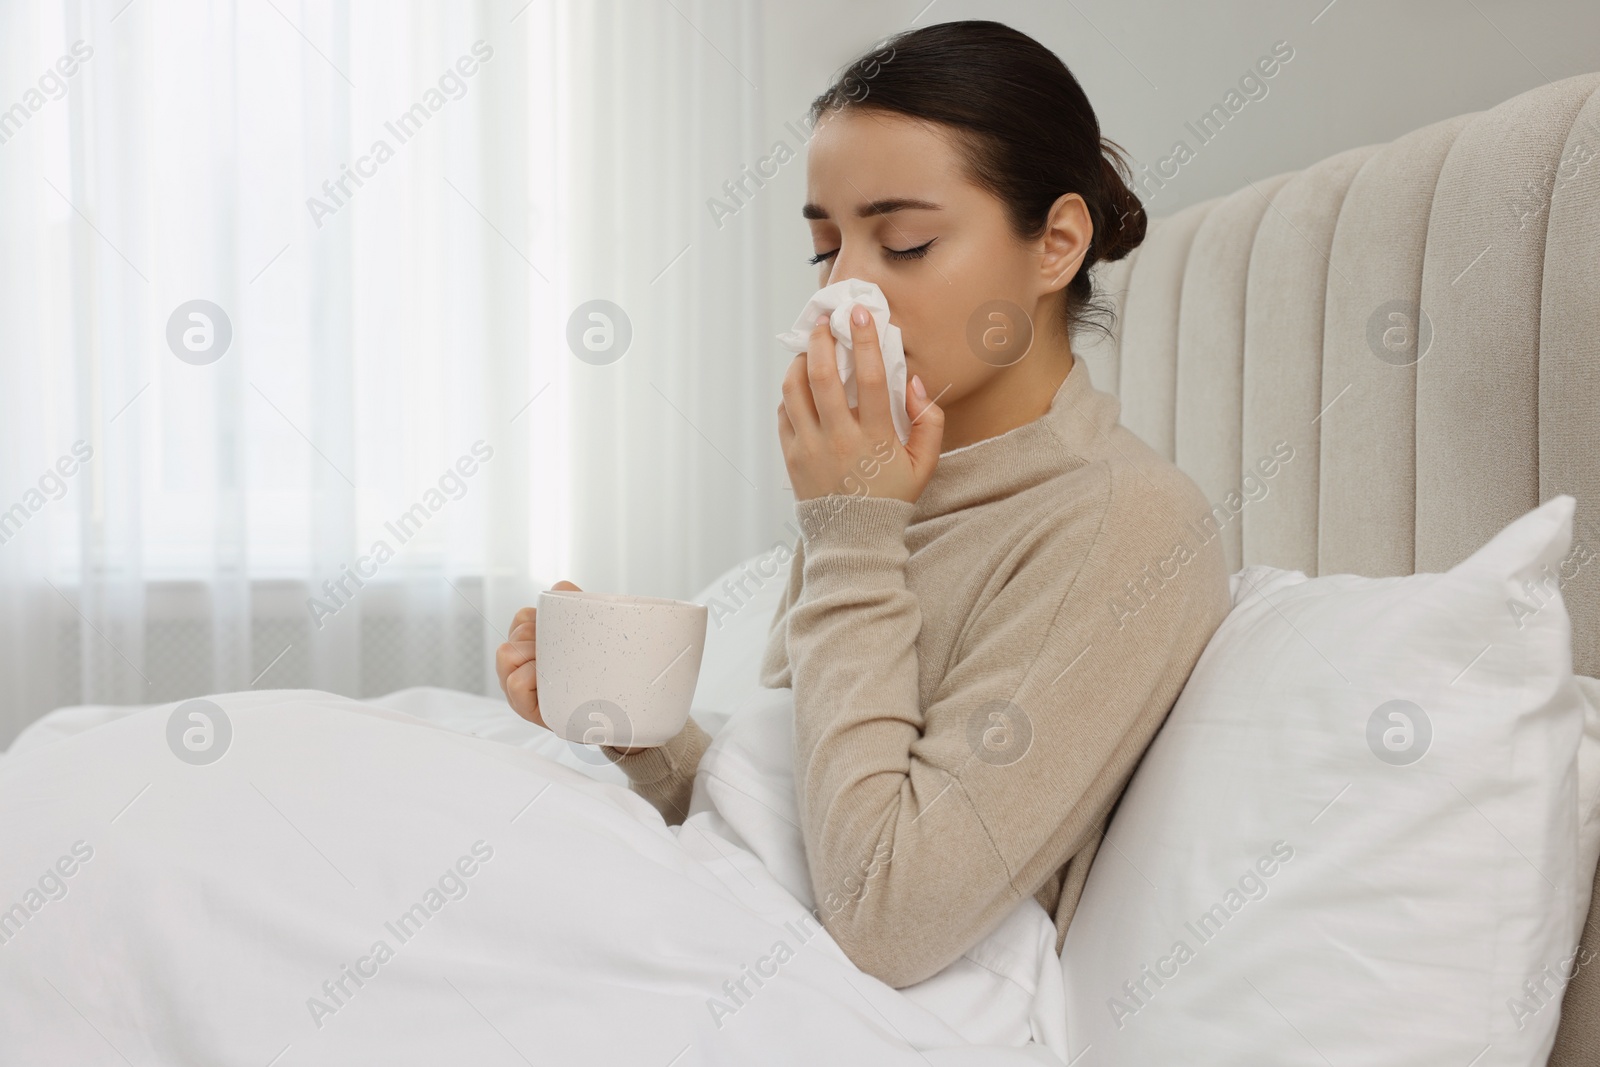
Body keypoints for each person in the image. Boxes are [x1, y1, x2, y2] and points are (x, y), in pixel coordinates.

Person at [497, 19, 1232, 991]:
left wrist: (850, 529)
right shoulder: (887, 478)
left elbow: (886, 917)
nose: (846, 290)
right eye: (824, 248)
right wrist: (645, 735)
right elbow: (805, 827)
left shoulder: (1123, 524)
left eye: (905, 242)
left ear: (1056, 243)